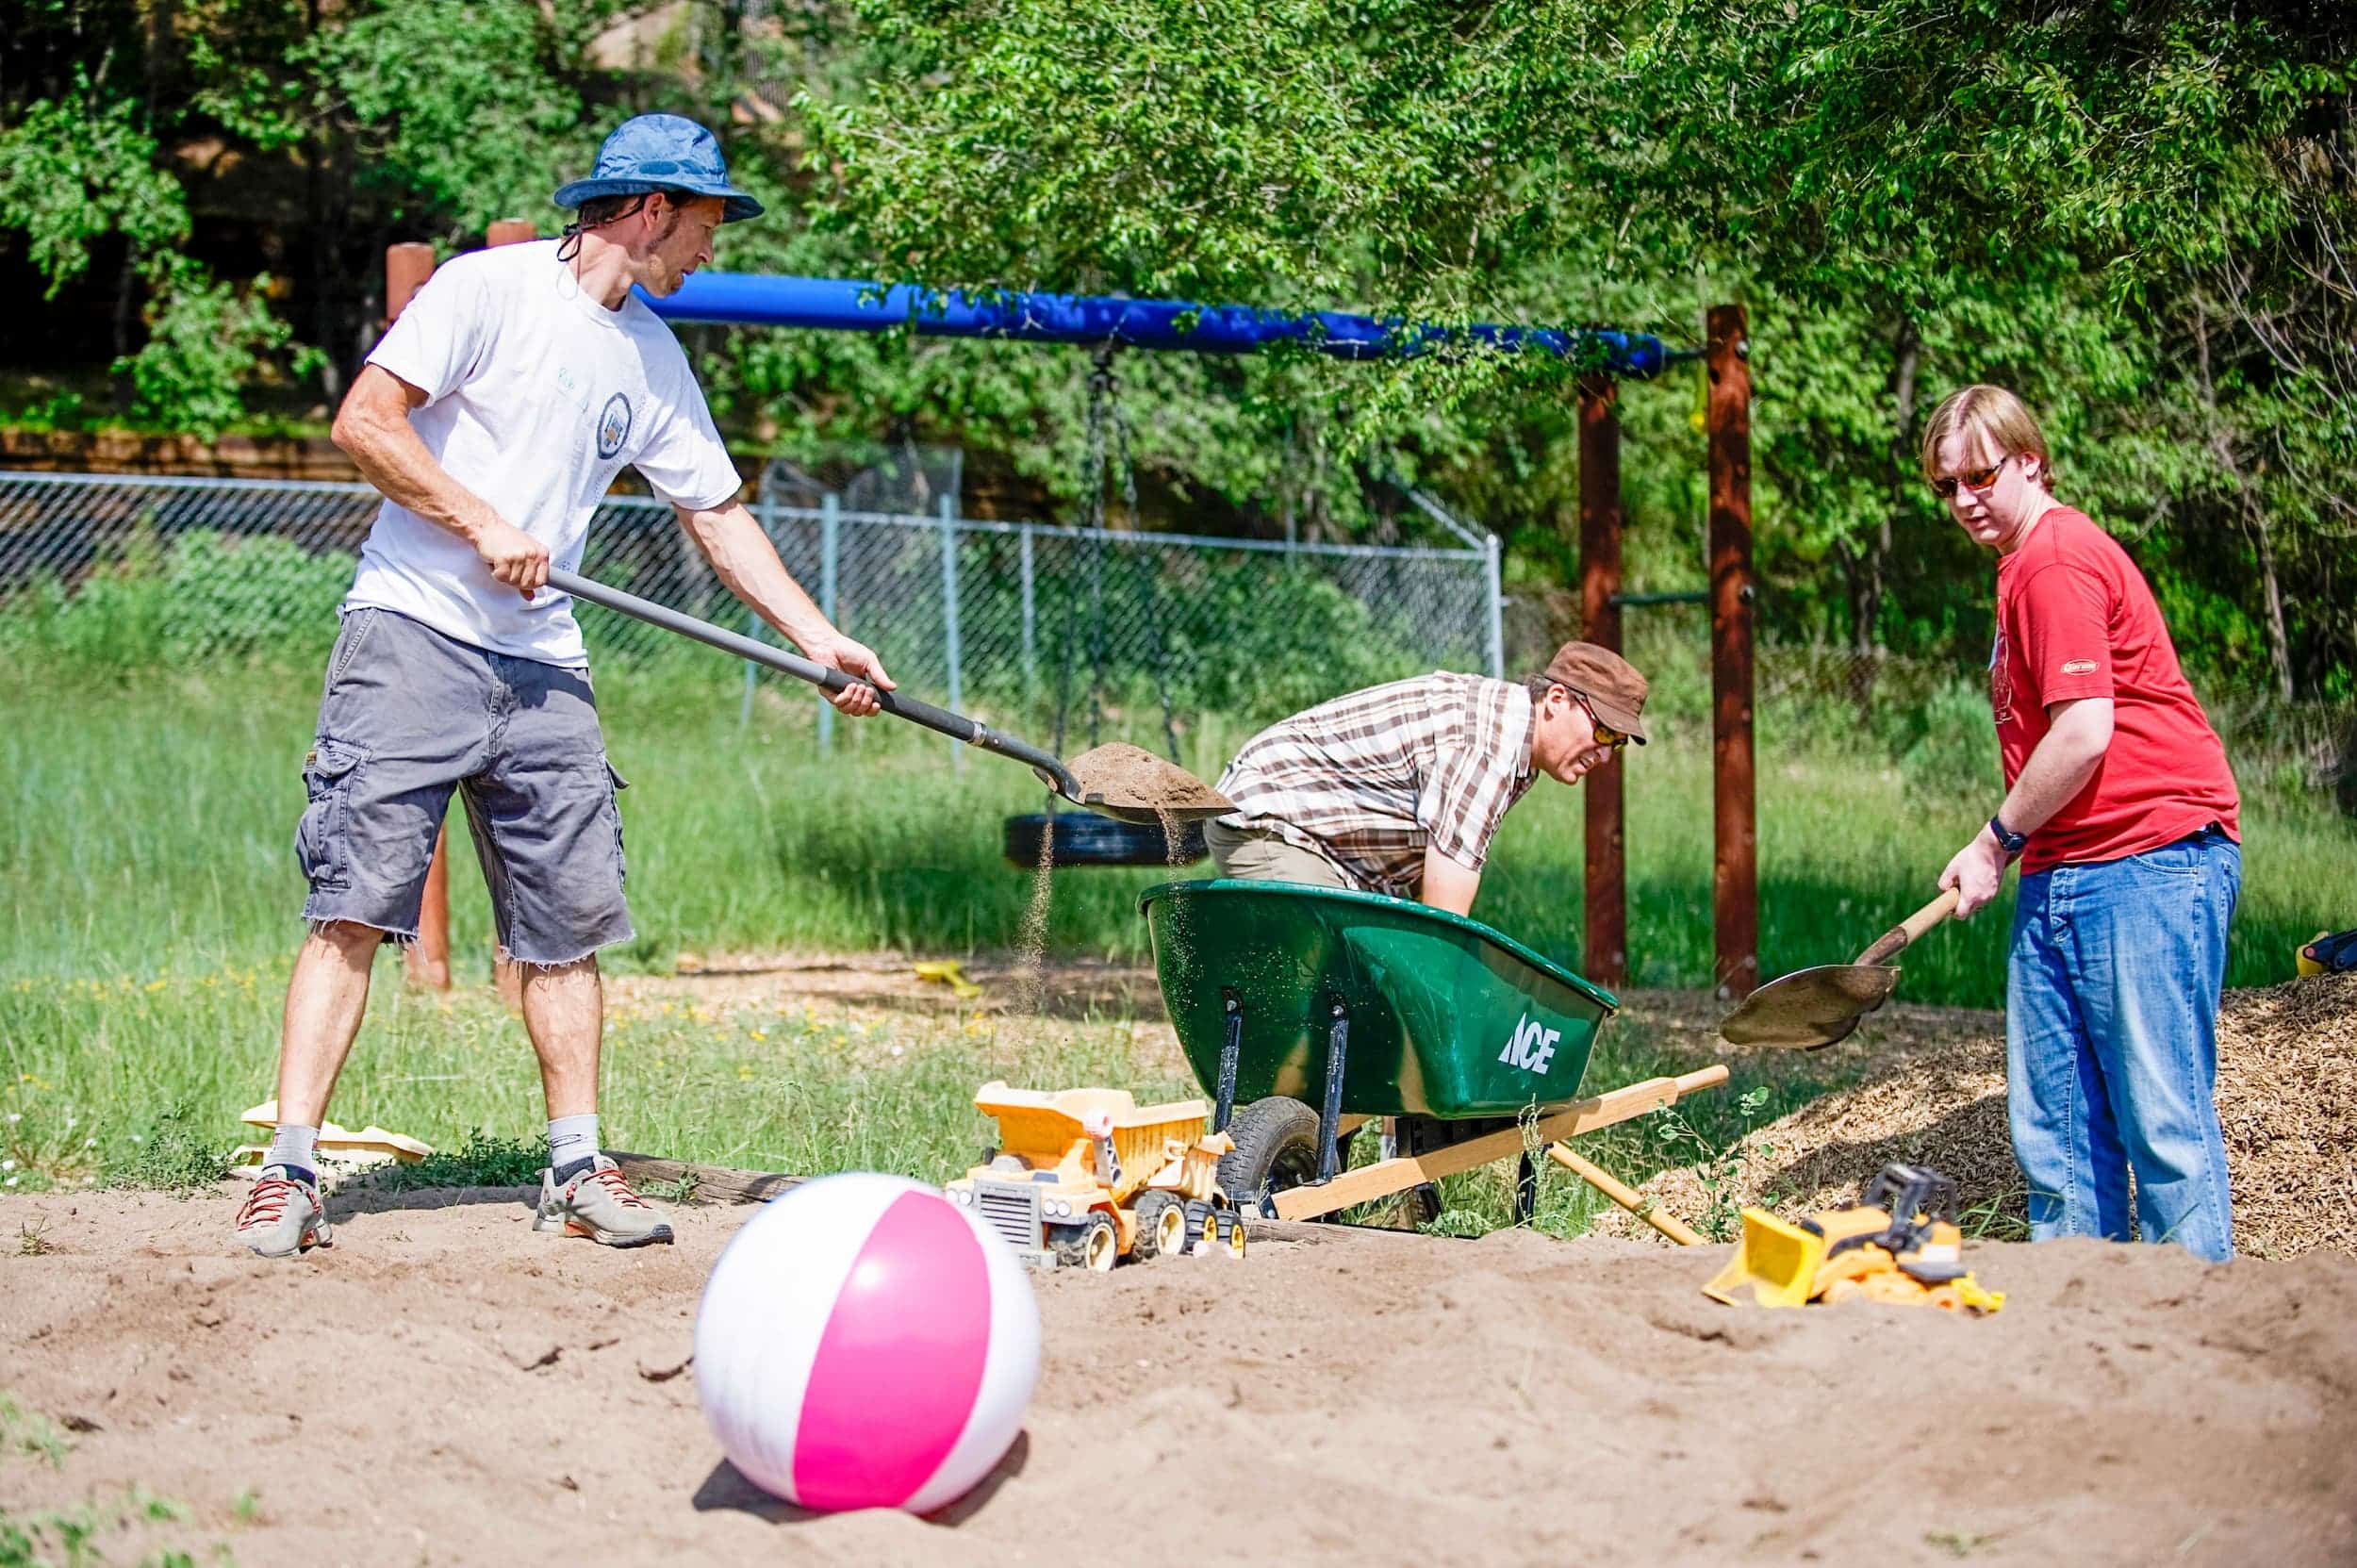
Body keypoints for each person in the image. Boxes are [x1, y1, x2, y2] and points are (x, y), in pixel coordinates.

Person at [233, 115, 894, 1259]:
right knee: (356, 899)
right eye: (702, 226)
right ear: (647, 212)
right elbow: (365, 420)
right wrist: (480, 518)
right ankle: (289, 1169)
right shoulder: (484, 291)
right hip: (413, 633)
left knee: (566, 922)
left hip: (545, 661)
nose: (707, 251)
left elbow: (716, 513)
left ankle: (578, 1168)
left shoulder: (653, 356)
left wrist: (817, 634)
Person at [1926, 384, 2242, 1263]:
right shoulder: (2019, 566)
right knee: (2058, 1132)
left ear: (2029, 460)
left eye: (1979, 476)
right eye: (1945, 486)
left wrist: (1994, 842)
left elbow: (2085, 731)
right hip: (2066, 865)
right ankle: (2080, 1339)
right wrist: (2018, 849)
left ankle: (2194, 1333)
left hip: (2150, 856)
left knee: (2162, 1121)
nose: (1962, 501)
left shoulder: (2055, 559)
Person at [1206, 642, 1647, 916]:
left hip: (1336, 855)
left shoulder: (1519, 744)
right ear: (1556, 699)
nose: (1606, 753)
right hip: (1272, 820)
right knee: (1329, 977)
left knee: (1371, 983)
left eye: (1619, 741)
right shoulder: (1488, 747)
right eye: (1604, 730)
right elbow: (1443, 919)